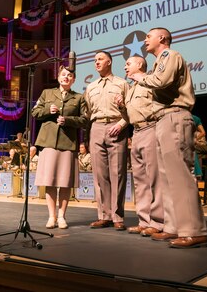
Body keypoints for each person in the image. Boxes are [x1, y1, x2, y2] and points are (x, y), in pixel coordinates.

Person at [129, 27, 207, 248]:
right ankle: (173, 226)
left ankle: (194, 230)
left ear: (162, 38)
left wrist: (141, 77)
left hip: (175, 116)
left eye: (148, 36)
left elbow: (162, 81)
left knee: (181, 176)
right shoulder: (158, 61)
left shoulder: (169, 55)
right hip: (163, 119)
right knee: (166, 179)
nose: (145, 40)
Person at [32, 66, 89, 229]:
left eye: (70, 76)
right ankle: (52, 216)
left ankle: (62, 216)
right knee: (49, 181)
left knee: (65, 182)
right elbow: (34, 112)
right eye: (63, 75)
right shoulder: (47, 93)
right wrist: (47, 111)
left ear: (74, 80)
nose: (66, 77)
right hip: (48, 141)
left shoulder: (78, 98)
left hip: (67, 143)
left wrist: (68, 120)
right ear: (58, 77)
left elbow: (84, 120)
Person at [116, 55, 165, 237]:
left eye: (128, 64)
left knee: (155, 179)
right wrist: (122, 108)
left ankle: (158, 222)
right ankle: (144, 221)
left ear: (139, 65)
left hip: (151, 129)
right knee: (140, 181)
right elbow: (129, 118)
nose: (125, 67)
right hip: (135, 133)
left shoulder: (151, 81)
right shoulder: (130, 89)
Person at [83, 51, 130, 231]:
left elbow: (130, 109)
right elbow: (86, 113)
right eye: (95, 60)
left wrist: (121, 124)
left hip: (116, 127)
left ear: (109, 62)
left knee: (118, 173)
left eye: (100, 59)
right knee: (99, 175)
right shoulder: (91, 87)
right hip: (96, 128)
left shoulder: (122, 83)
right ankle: (104, 215)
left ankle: (117, 216)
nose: (96, 62)